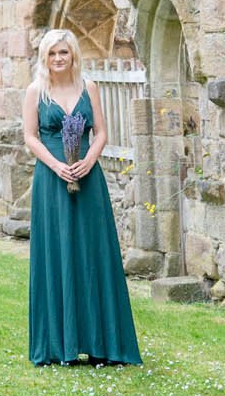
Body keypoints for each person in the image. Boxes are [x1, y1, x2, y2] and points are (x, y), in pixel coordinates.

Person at [22, 26, 142, 366]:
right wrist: (57, 165)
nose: (59, 59)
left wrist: (89, 160)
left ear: (73, 55)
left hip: (89, 179)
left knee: (94, 252)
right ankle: (59, 344)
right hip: (51, 179)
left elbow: (101, 132)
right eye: (53, 53)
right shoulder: (36, 91)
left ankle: (103, 343)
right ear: (44, 58)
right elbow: (31, 137)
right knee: (57, 251)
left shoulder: (89, 87)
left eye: (64, 52)